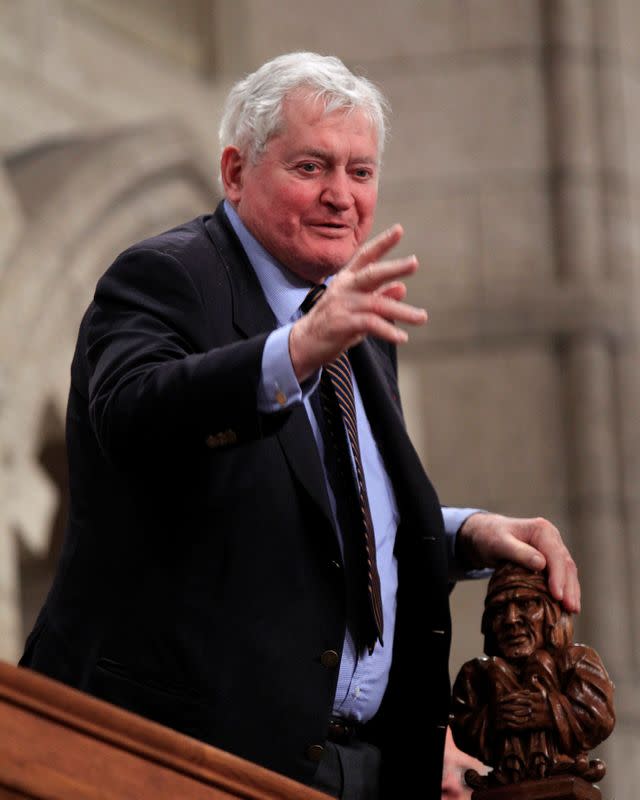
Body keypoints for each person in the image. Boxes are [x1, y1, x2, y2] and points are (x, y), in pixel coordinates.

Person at [20, 52, 580, 800]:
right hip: (176, 753)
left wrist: (462, 534)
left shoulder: (352, 319)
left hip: (353, 765)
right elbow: (131, 414)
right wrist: (294, 352)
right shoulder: (167, 276)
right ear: (234, 171)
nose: (341, 197)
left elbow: (322, 515)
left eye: (360, 172)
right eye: (311, 166)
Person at [450, 563, 614, 787]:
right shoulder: (475, 676)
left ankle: (544, 759)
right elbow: (461, 724)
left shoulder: (578, 660)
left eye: (526, 604)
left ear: (550, 612)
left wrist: (550, 711)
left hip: (563, 779)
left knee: (541, 662)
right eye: (499, 610)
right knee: (496, 670)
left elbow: (599, 716)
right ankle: (511, 762)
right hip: (504, 786)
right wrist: (495, 717)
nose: (511, 619)